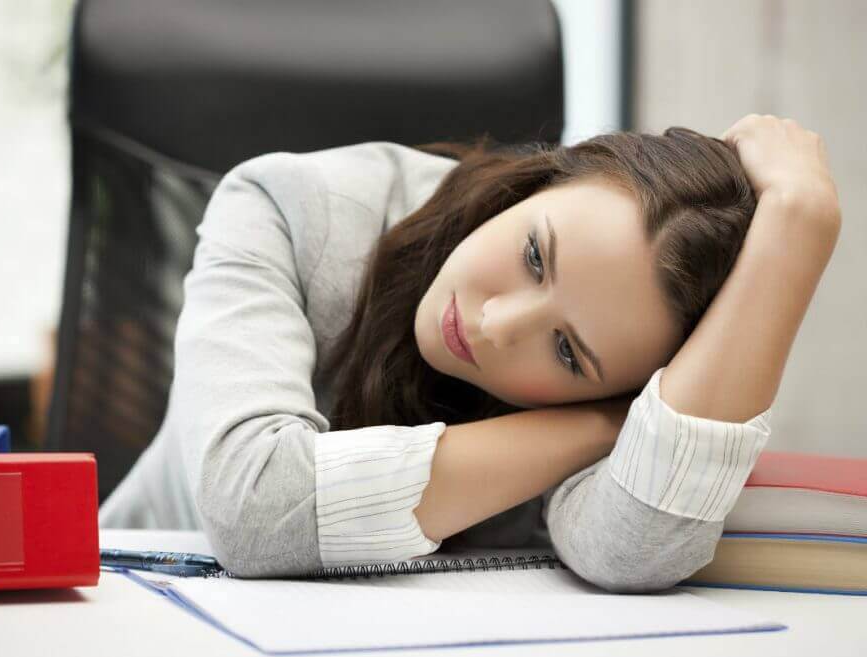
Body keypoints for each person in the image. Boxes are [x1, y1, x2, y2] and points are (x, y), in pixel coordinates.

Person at [99, 114, 841, 593]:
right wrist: (607, 423)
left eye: (566, 350)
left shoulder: (618, 366)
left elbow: (631, 551)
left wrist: (797, 231)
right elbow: (252, 506)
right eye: (534, 256)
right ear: (543, 177)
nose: (494, 324)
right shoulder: (289, 207)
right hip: (134, 596)